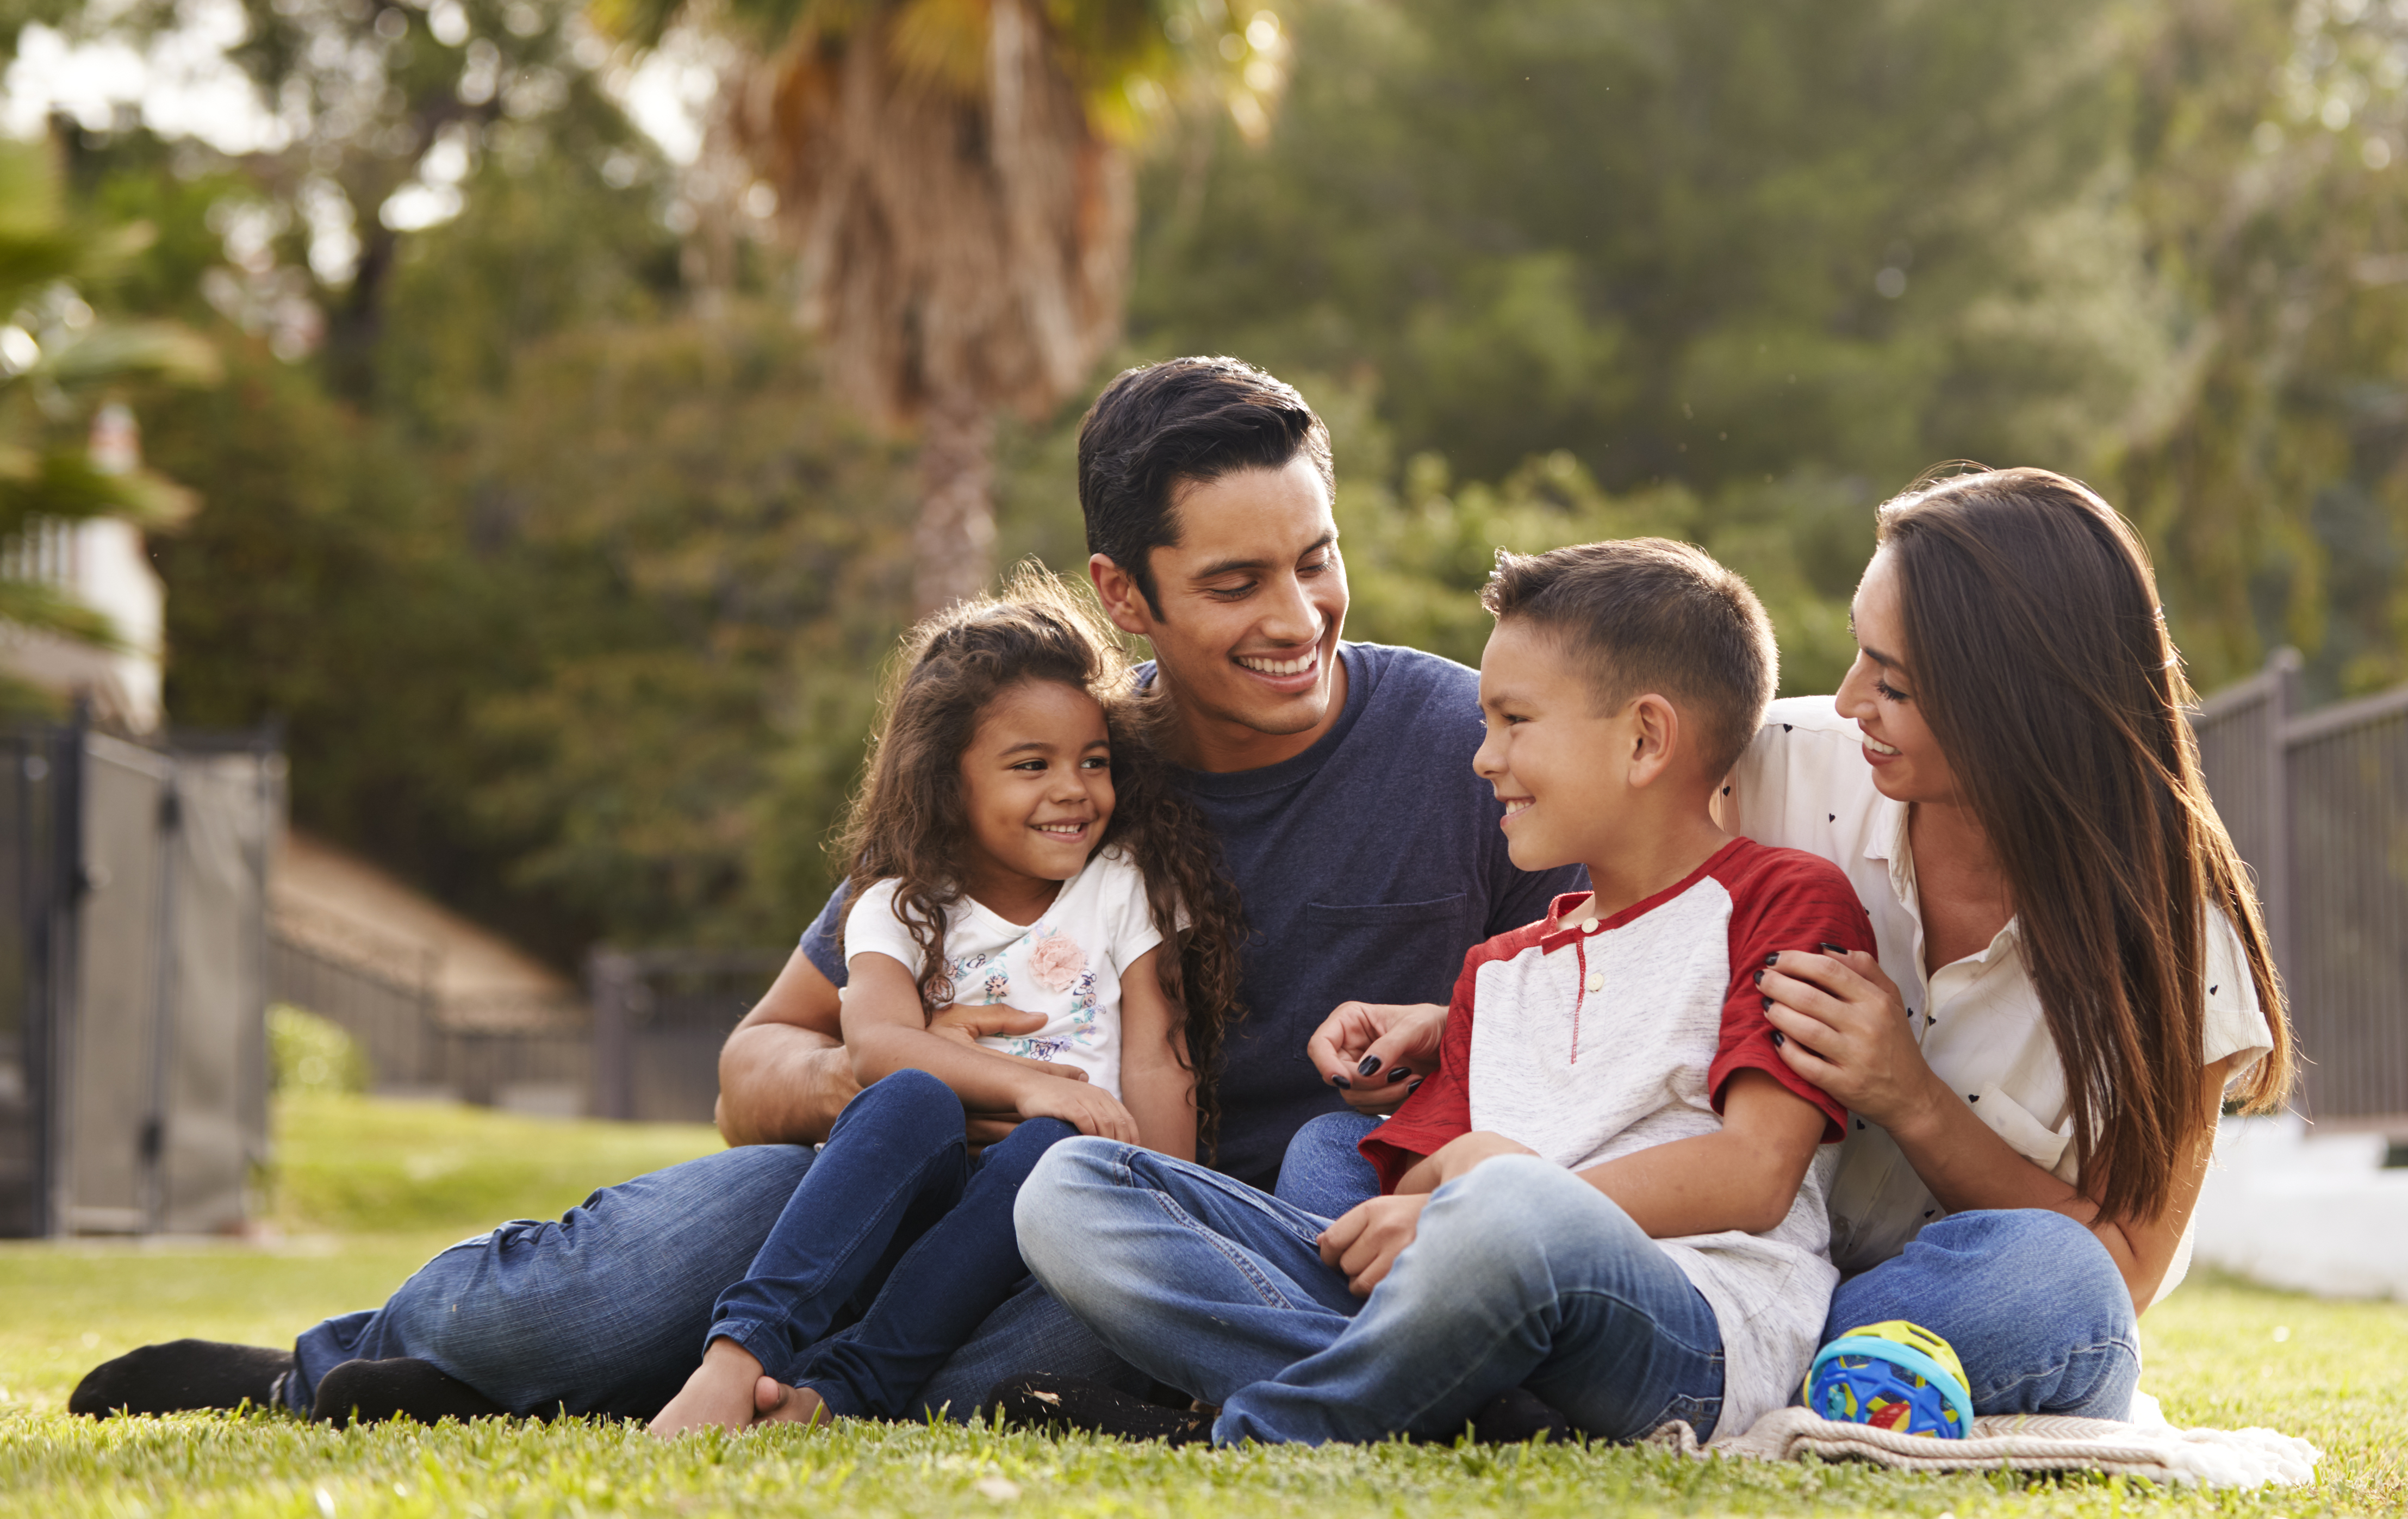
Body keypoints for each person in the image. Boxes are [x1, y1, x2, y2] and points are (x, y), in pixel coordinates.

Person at [71, 356, 1579, 1425]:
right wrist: (967, 1082)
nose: (1300, 615)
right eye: (1236, 582)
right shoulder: (1049, 760)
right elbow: (753, 1068)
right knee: (617, 1275)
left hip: (1180, 1243)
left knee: (1032, 1346)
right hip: (920, 1169)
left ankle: (587, 1396)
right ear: (1128, 597)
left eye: (1317, 560)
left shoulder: (1468, 746)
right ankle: (354, 1361)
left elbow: (1602, 1007)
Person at [1300, 467, 2294, 1422]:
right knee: (1338, 1156)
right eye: (1861, 654)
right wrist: (1473, 1027)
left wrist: (1911, 1099)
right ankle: (1584, 1355)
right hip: (1680, 1252)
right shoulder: (1777, 761)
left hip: (1897, 1308)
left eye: (1894, 683)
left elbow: (2125, 1266)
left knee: (2052, 1282)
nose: (1852, 698)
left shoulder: (2176, 939)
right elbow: (1626, 932)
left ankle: (1572, 1362)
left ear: (2015, 706)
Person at [999, 538, 1878, 1447]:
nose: (1482, 757)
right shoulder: (1497, 968)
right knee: (1070, 1187)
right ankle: (1461, 1410)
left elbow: (1755, 1172)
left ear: (1644, 738)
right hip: (1466, 1288)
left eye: (1513, 721)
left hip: (1688, 1321)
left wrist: (1493, 1176)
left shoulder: (1781, 897)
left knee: (1511, 1205)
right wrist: (1451, 1186)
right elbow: (1411, 1186)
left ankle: (1263, 1426)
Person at [646, 572, 1243, 1436]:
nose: (1073, 788)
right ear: (947, 780)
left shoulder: (1124, 886)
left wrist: (1162, 1196)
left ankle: (838, 1394)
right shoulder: (896, 903)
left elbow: (1158, 1049)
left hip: (1037, 1214)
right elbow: (881, 1043)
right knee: (914, 1095)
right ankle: (735, 1359)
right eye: (1030, 765)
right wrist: (1027, 1083)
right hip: (908, 1182)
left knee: (1054, 1147)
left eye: (1094, 760)